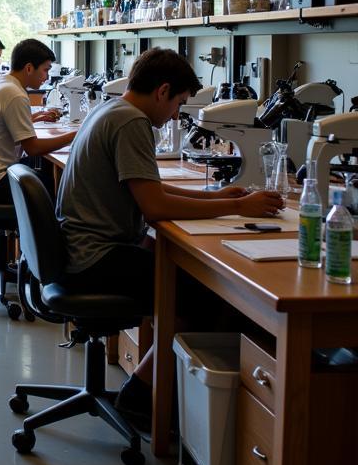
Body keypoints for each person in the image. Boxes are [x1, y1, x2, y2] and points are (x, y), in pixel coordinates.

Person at [55, 47, 283, 427]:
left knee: (183, 276)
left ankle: (152, 390)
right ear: (162, 91)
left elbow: (152, 191)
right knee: (210, 294)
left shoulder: (111, 110)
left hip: (81, 249)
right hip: (95, 258)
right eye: (178, 102)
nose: (177, 114)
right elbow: (155, 208)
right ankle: (143, 396)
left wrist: (215, 196)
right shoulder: (132, 123)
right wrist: (237, 209)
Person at [0, 38, 73, 203]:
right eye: (45, 70)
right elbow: (33, 148)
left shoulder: (3, 83)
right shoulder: (14, 93)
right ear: (29, 68)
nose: (46, 77)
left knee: (46, 167)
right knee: (64, 185)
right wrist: (74, 136)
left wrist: (34, 118)